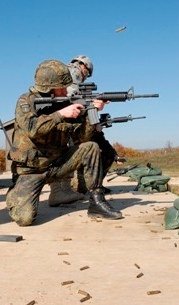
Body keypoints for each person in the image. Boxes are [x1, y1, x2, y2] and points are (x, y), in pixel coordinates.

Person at [6, 59, 123, 226]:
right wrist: (61, 114)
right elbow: (32, 129)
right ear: (49, 87)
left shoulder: (66, 103)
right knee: (24, 219)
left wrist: (92, 112)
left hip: (57, 166)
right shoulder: (26, 101)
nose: (66, 89)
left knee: (90, 147)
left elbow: (81, 138)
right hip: (31, 171)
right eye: (62, 86)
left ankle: (96, 202)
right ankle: (16, 193)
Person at [48, 55, 125, 206]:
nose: (85, 77)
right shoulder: (72, 73)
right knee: (69, 150)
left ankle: (67, 190)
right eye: (87, 73)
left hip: (64, 121)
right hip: (63, 122)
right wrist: (89, 106)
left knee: (74, 149)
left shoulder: (65, 74)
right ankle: (60, 191)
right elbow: (70, 98)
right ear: (83, 66)